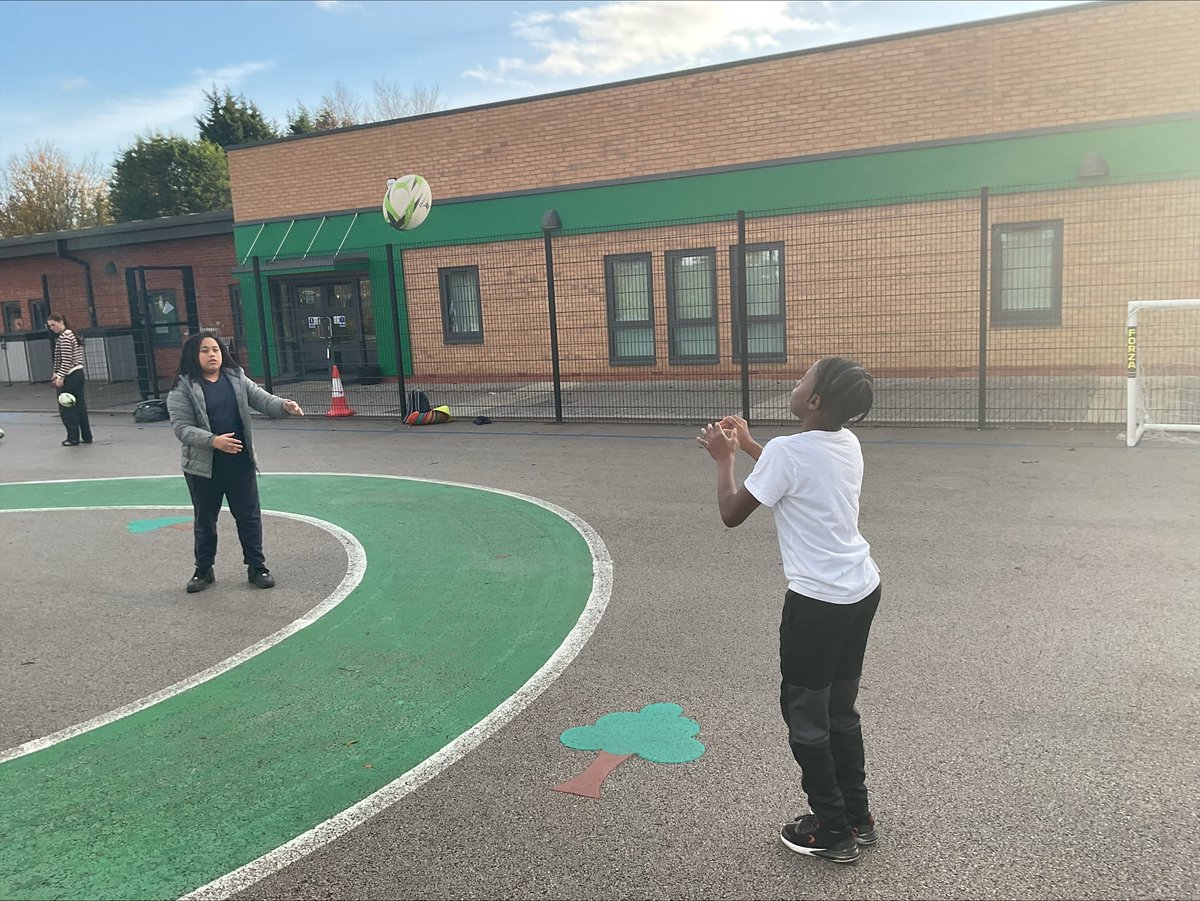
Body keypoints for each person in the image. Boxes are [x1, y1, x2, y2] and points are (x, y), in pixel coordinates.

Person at [697, 357, 880, 865]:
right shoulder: (846, 442)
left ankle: (832, 829)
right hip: (861, 591)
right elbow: (789, 473)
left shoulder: (788, 453)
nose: (794, 384)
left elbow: (732, 514)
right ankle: (858, 817)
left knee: (806, 715)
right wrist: (751, 444)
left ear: (815, 401)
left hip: (817, 605)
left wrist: (723, 459)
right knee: (839, 709)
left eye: (803, 381)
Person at [167, 333, 304, 594]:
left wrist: (285, 406)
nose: (212, 355)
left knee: (249, 517)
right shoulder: (181, 388)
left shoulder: (236, 378)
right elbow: (182, 428)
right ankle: (203, 569)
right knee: (205, 520)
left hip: (240, 463)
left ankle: (257, 567)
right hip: (203, 468)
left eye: (216, 349)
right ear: (193, 356)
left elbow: (262, 399)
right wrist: (213, 441)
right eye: (205, 350)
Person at [48, 313, 93, 447]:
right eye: (49, 326)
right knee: (79, 406)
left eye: (53, 325)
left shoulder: (65, 337)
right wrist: (56, 373)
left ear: (61, 322)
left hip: (70, 375)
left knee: (67, 407)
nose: (51, 328)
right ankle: (87, 435)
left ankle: (72, 438)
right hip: (77, 373)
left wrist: (60, 376)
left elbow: (66, 360)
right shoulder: (69, 334)